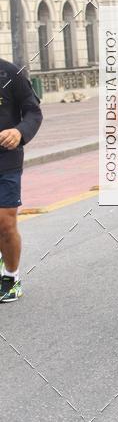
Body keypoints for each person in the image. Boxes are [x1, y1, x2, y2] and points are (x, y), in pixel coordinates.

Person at [0, 61, 43, 302]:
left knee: (5, 223)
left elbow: (33, 111)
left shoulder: (10, 73)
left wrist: (19, 132)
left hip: (5, 158)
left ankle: (11, 277)